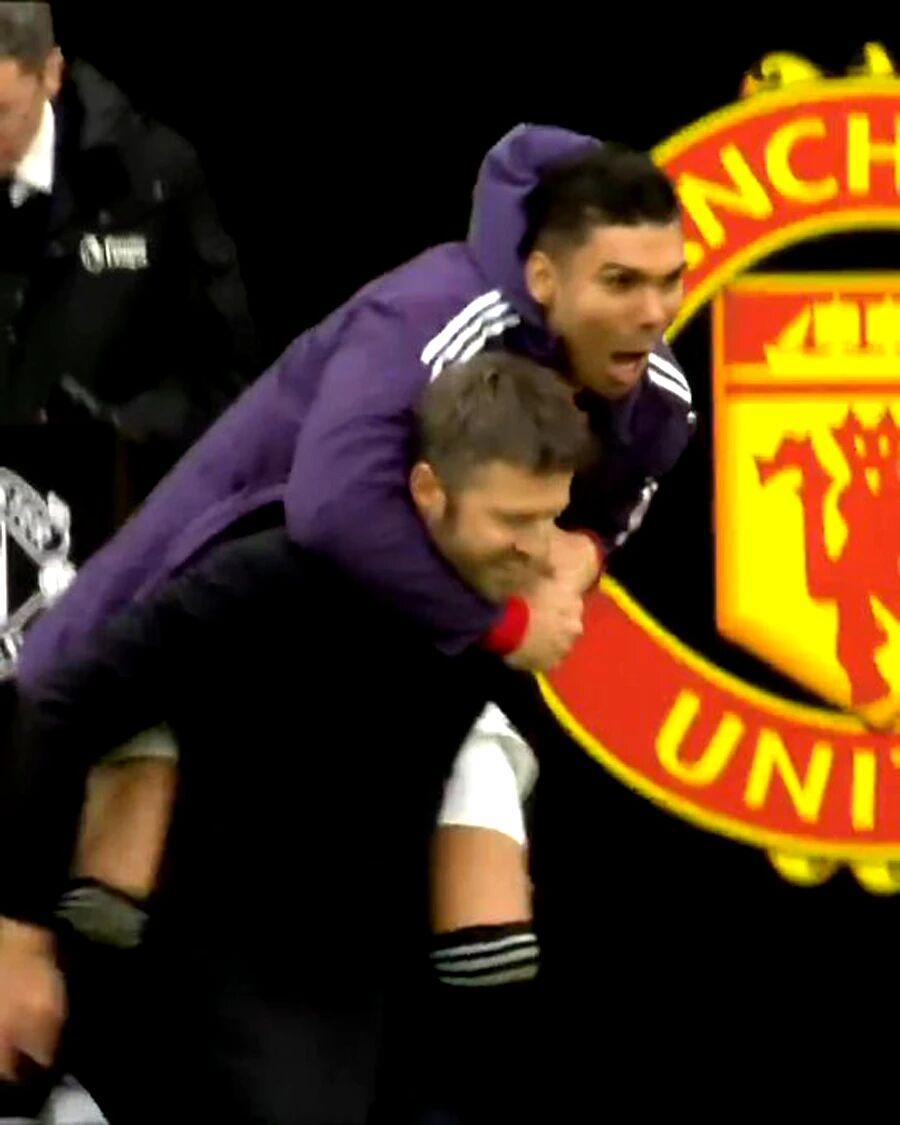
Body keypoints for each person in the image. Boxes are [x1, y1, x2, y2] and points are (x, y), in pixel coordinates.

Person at [15, 125, 693, 934]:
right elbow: (334, 509)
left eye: (671, 281)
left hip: (388, 637)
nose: (653, 313)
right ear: (544, 276)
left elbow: (611, 514)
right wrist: (504, 624)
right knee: (93, 832)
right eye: (621, 282)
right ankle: (150, 737)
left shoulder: (661, 400)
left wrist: (578, 558)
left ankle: (470, 760)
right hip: (237, 563)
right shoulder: (431, 313)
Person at [0, 352, 595, 1124]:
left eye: (550, 517)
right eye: (512, 521)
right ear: (428, 492)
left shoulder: (498, 616)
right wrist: (21, 940)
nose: (536, 549)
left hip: (352, 999)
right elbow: (62, 704)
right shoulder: (267, 583)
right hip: (212, 996)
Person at [0, 1, 256, 564]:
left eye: (1, 114)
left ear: (50, 74)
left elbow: (222, 378)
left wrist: (119, 431)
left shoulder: (150, 180)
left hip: (112, 533)